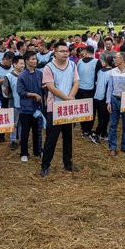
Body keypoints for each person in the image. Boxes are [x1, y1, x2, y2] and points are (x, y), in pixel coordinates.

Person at [40, 41, 79, 177]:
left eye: (66, 51)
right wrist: (66, 98)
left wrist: (71, 97)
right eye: (62, 51)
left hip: (68, 107)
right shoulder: (48, 67)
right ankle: (45, 165)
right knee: (51, 138)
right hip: (54, 108)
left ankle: (68, 163)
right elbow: (50, 87)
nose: (65, 53)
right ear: (55, 52)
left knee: (69, 137)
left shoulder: (73, 64)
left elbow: (76, 82)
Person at [17, 51, 44, 162]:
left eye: (35, 59)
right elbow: (21, 92)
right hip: (26, 109)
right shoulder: (22, 75)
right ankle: (24, 153)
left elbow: (42, 87)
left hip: (38, 108)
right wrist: (33, 95)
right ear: (27, 61)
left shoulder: (39, 73)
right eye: (32, 59)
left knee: (37, 130)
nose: (35, 61)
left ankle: (37, 151)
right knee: (25, 132)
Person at [76, 46, 100, 141]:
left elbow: (76, 75)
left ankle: (83, 129)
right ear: (93, 52)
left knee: (82, 109)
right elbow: (98, 77)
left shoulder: (79, 61)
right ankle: (88, 130)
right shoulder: (96, 62)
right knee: (90, 111)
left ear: (85, 51)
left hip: (79, 90)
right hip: (91, 90)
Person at [2, 55, 25, 150]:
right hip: (13, 103)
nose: (23, 65)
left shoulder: (25, 74)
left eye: (24, 63)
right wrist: (11, 96)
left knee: (22, 122)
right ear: (14, 64)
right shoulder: (8, 76)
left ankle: (21, 139)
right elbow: (5, 89)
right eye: (21, 64)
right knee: (13, 122)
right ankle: (13, 140)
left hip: (24, 103)